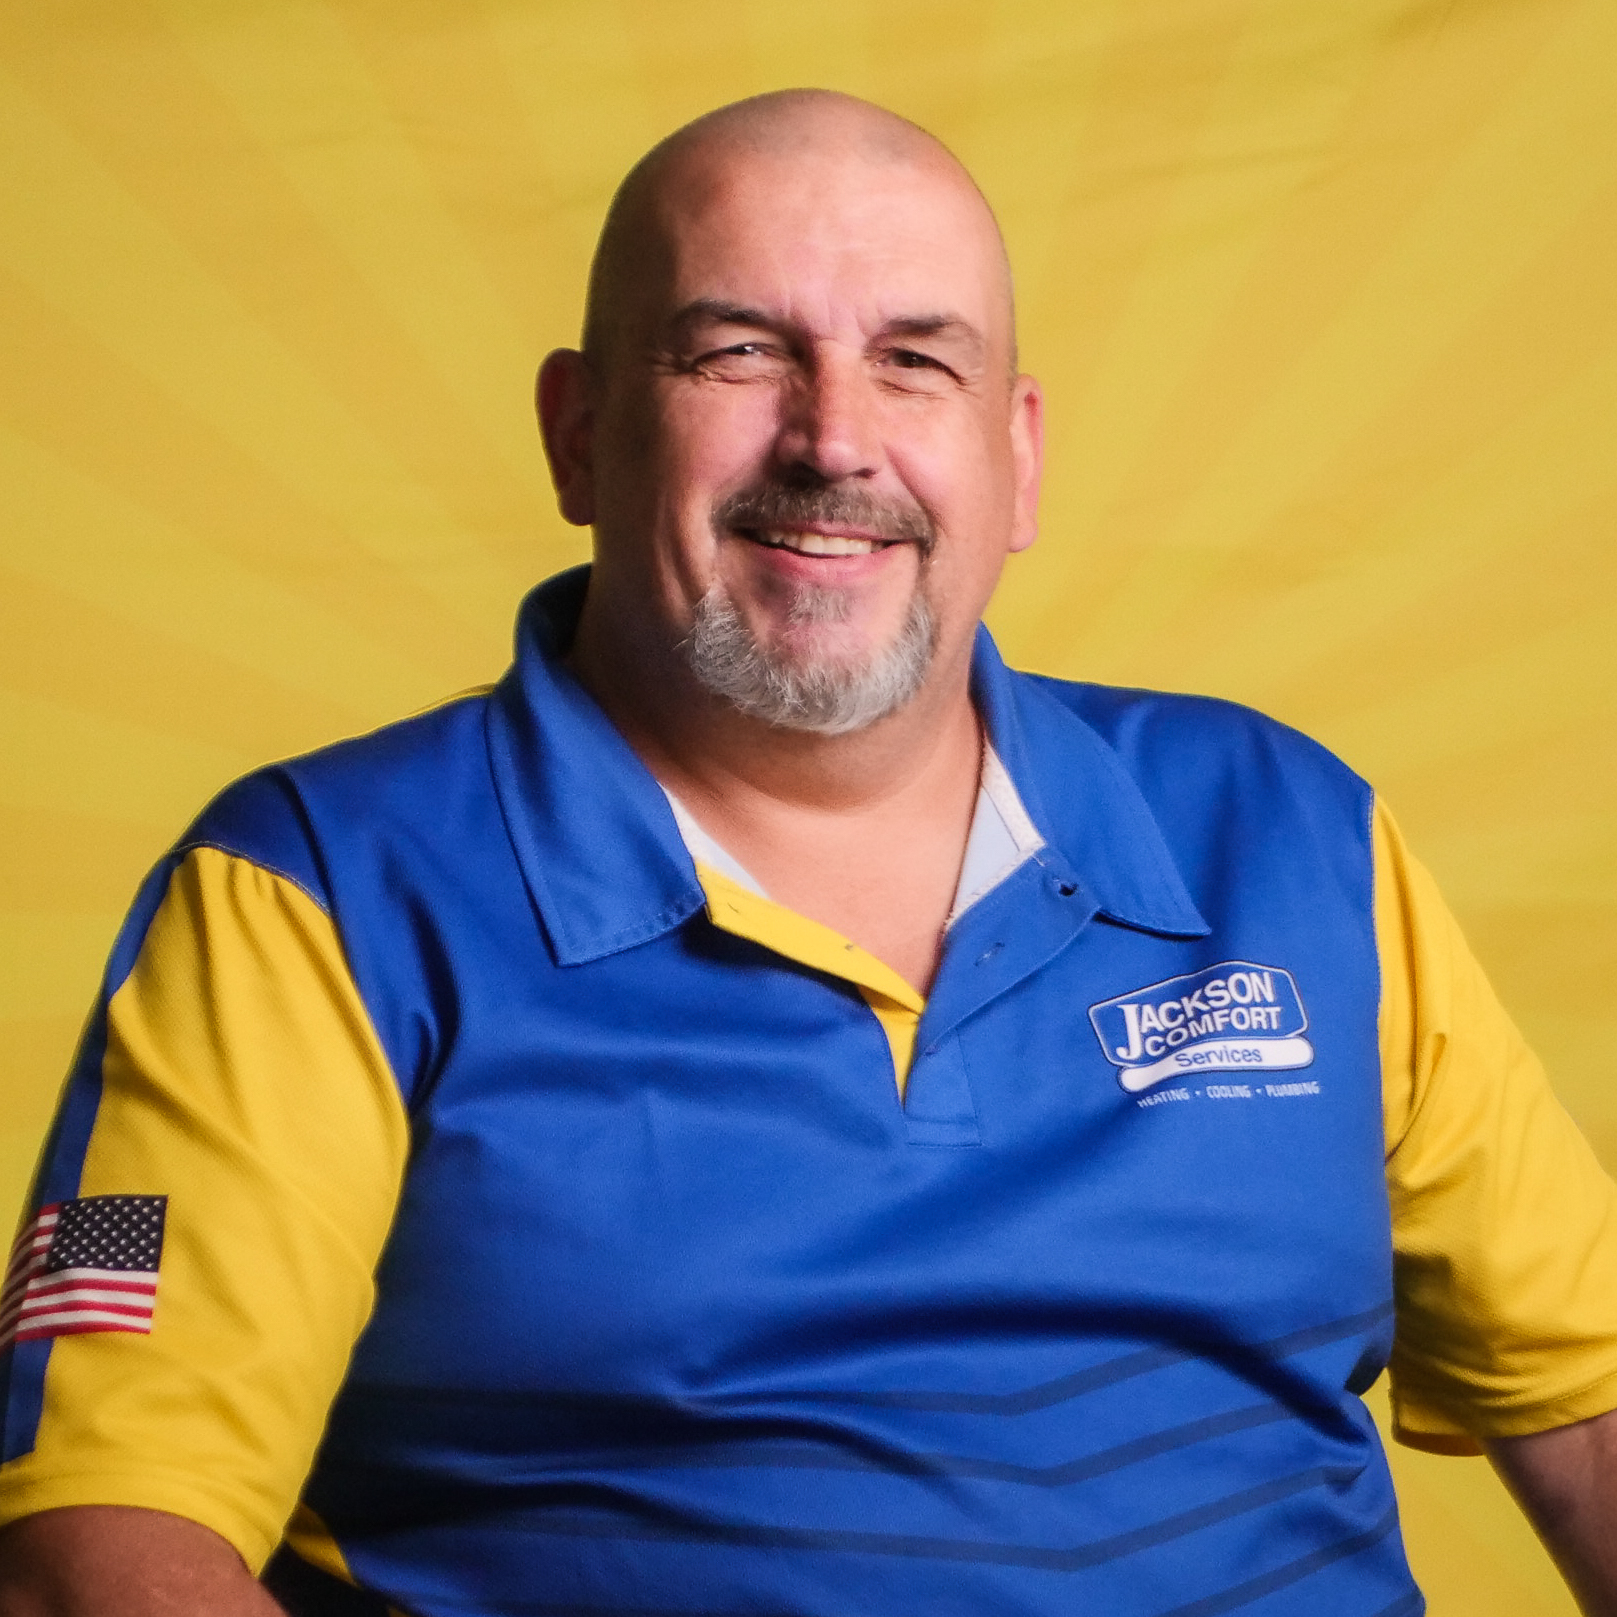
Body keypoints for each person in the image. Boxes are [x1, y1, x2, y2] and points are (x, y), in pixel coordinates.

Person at [0, 88, 1614, 1617]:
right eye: (735, 353)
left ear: (1018, 455)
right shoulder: (318, 890)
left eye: (915, 362)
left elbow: (1591, 1402)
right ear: (576, 434)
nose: (833, 439)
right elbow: (98, 1548)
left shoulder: (1284, 828)